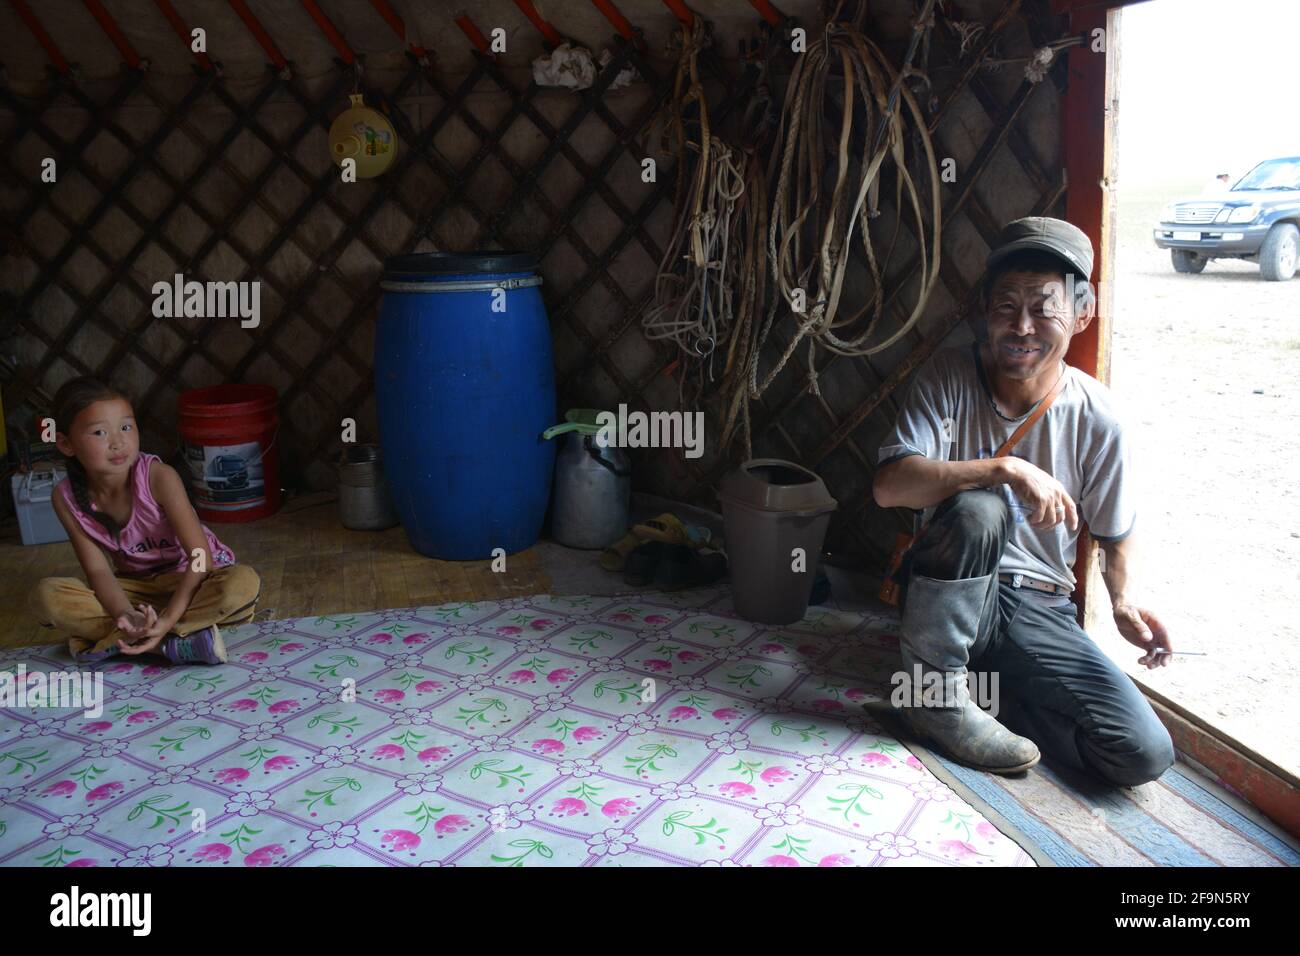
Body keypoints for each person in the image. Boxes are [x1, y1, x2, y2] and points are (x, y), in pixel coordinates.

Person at [872, 216, 1176, 787]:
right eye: (1006, 306)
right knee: (980, 507)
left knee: (1141, 753)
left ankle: (996, 701)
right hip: (949, 587)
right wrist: (1003, 470)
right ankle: (935, 696)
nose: (1023, 326)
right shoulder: (947, 376)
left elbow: (1113, 532)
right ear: (983, 308)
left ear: (1081, 314)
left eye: (1044, 307)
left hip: (1038, 609)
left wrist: (1123, 601)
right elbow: (890, 487)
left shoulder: (1098, 416)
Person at [30, 377, 260, 665]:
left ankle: (124, 637)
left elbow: (200, 558)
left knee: (241, 585)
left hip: (193, 579)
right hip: (135, 591)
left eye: (126, 427)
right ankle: (170, 641)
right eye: (100, 432)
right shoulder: (65, 499)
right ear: (66, 443)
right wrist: (127, 614)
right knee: (48, 596)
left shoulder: (158, 477)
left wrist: (167, 617)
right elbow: (99, 572)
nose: (118, 442)